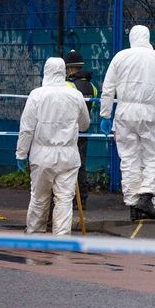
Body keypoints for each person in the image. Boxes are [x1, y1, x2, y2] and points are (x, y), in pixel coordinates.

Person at [99, 25, 155, 220]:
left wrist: (105, 115)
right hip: (149, 113)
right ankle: (146, 197)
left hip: (124, 113)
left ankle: (133, 205)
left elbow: (107, 89)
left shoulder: (120, 57)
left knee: (129, 159)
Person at [16, 57, 90, 235]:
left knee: (39, 197)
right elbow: (85, 124)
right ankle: (62, 237)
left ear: (46, 71)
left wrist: (21, 153)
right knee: (64, 199)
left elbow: (27, 128)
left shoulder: (37, 95)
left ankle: (35, 232)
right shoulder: (75, 95)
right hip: (68, 155)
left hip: (42, 155)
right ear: (64, 72)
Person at [64, 50, 98, 207]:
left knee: (67, 165)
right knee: (81, 163)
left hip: (68, 130)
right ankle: (82, 199)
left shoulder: (68, 86)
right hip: (84, 130)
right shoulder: (92, 87)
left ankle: (69, 196)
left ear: (70, 68)